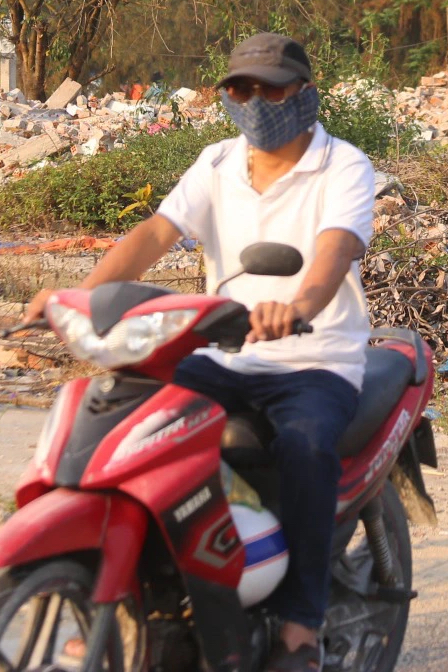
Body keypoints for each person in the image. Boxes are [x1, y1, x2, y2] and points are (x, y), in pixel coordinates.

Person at [24, 33, 374, 672]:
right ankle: (133, 595)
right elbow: (155, 234)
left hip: (312, 359)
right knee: (132, 419)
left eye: (270, 87)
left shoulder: (343, 165)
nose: (256, 100)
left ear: (305, 93)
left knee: (305, 444)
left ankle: (301, 622)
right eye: (241, 87)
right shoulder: (215, 164)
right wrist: (79, 295)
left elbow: (333, 253)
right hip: (226, 353)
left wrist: (297, 307)